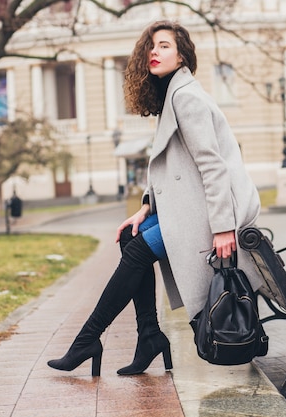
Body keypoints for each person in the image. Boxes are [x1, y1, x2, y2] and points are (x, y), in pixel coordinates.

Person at [48, 20, 262, 377]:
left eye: (164, 45)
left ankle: (87, 339)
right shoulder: (173, 96)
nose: (154, 52)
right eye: (151, 46)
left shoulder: (186, 97)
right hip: (191, 208)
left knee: (135, 252)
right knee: (131, 236)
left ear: (182, 56)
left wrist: (224, 227)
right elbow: (170, 167)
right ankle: (148, 335)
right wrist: (145, 209)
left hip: (216, 216)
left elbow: (212, 166)